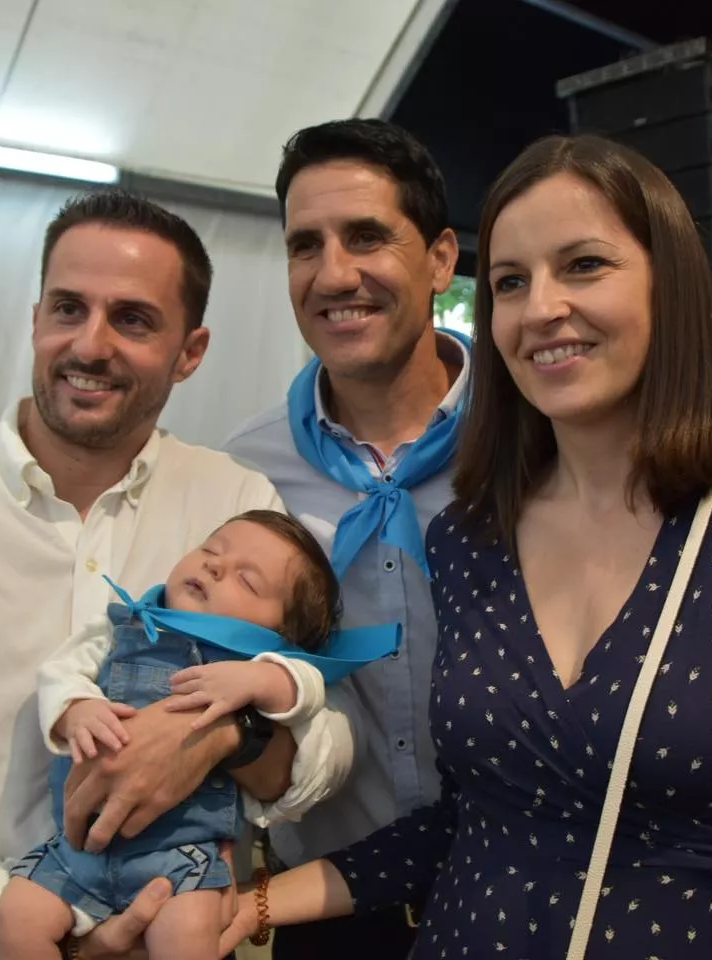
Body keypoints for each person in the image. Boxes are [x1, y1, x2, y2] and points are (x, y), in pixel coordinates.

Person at [218, 135, 712, 958]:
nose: (542, 308)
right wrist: (253, 905)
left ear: (667, 278)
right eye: (512, 283)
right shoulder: (472, 535)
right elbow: (477, 822)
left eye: (585, 265)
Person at [0, 190, 355, 960]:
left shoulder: (235, 503)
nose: (90, 345)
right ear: (34, 321)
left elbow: (320, 749)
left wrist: (229, 731)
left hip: (176, 917)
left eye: (132, 319)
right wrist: (20, 929)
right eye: (67, 309)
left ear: (191, 351)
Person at [222, 118, 464, 960]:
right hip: (327, 915)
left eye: (366, 237)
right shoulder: (246, 473)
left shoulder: (534, 446)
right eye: (305, 245)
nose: (333, 275)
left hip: (519, 896)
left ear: (440, 259)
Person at [0, 510, 395, 960]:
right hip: (78, 849)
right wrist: (75, 708)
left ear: (279, 632)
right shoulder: (125, 624)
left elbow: (304, 689)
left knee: (189, 935)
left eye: (246, 580)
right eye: (211, 551)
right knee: (17, 917)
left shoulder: (260, 662)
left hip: (179, 858)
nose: (214, 567)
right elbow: (61, 671)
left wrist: (258, 682)